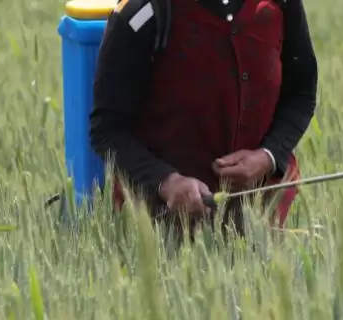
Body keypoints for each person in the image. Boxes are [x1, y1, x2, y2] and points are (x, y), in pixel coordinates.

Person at [89, 0, 318, 239]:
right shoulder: (143, 12)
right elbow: (108, 129)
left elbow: (301, 93)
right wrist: (166, 182)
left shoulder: (281, 5)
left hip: (265, 219)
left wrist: (268, 156)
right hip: (163, 226)